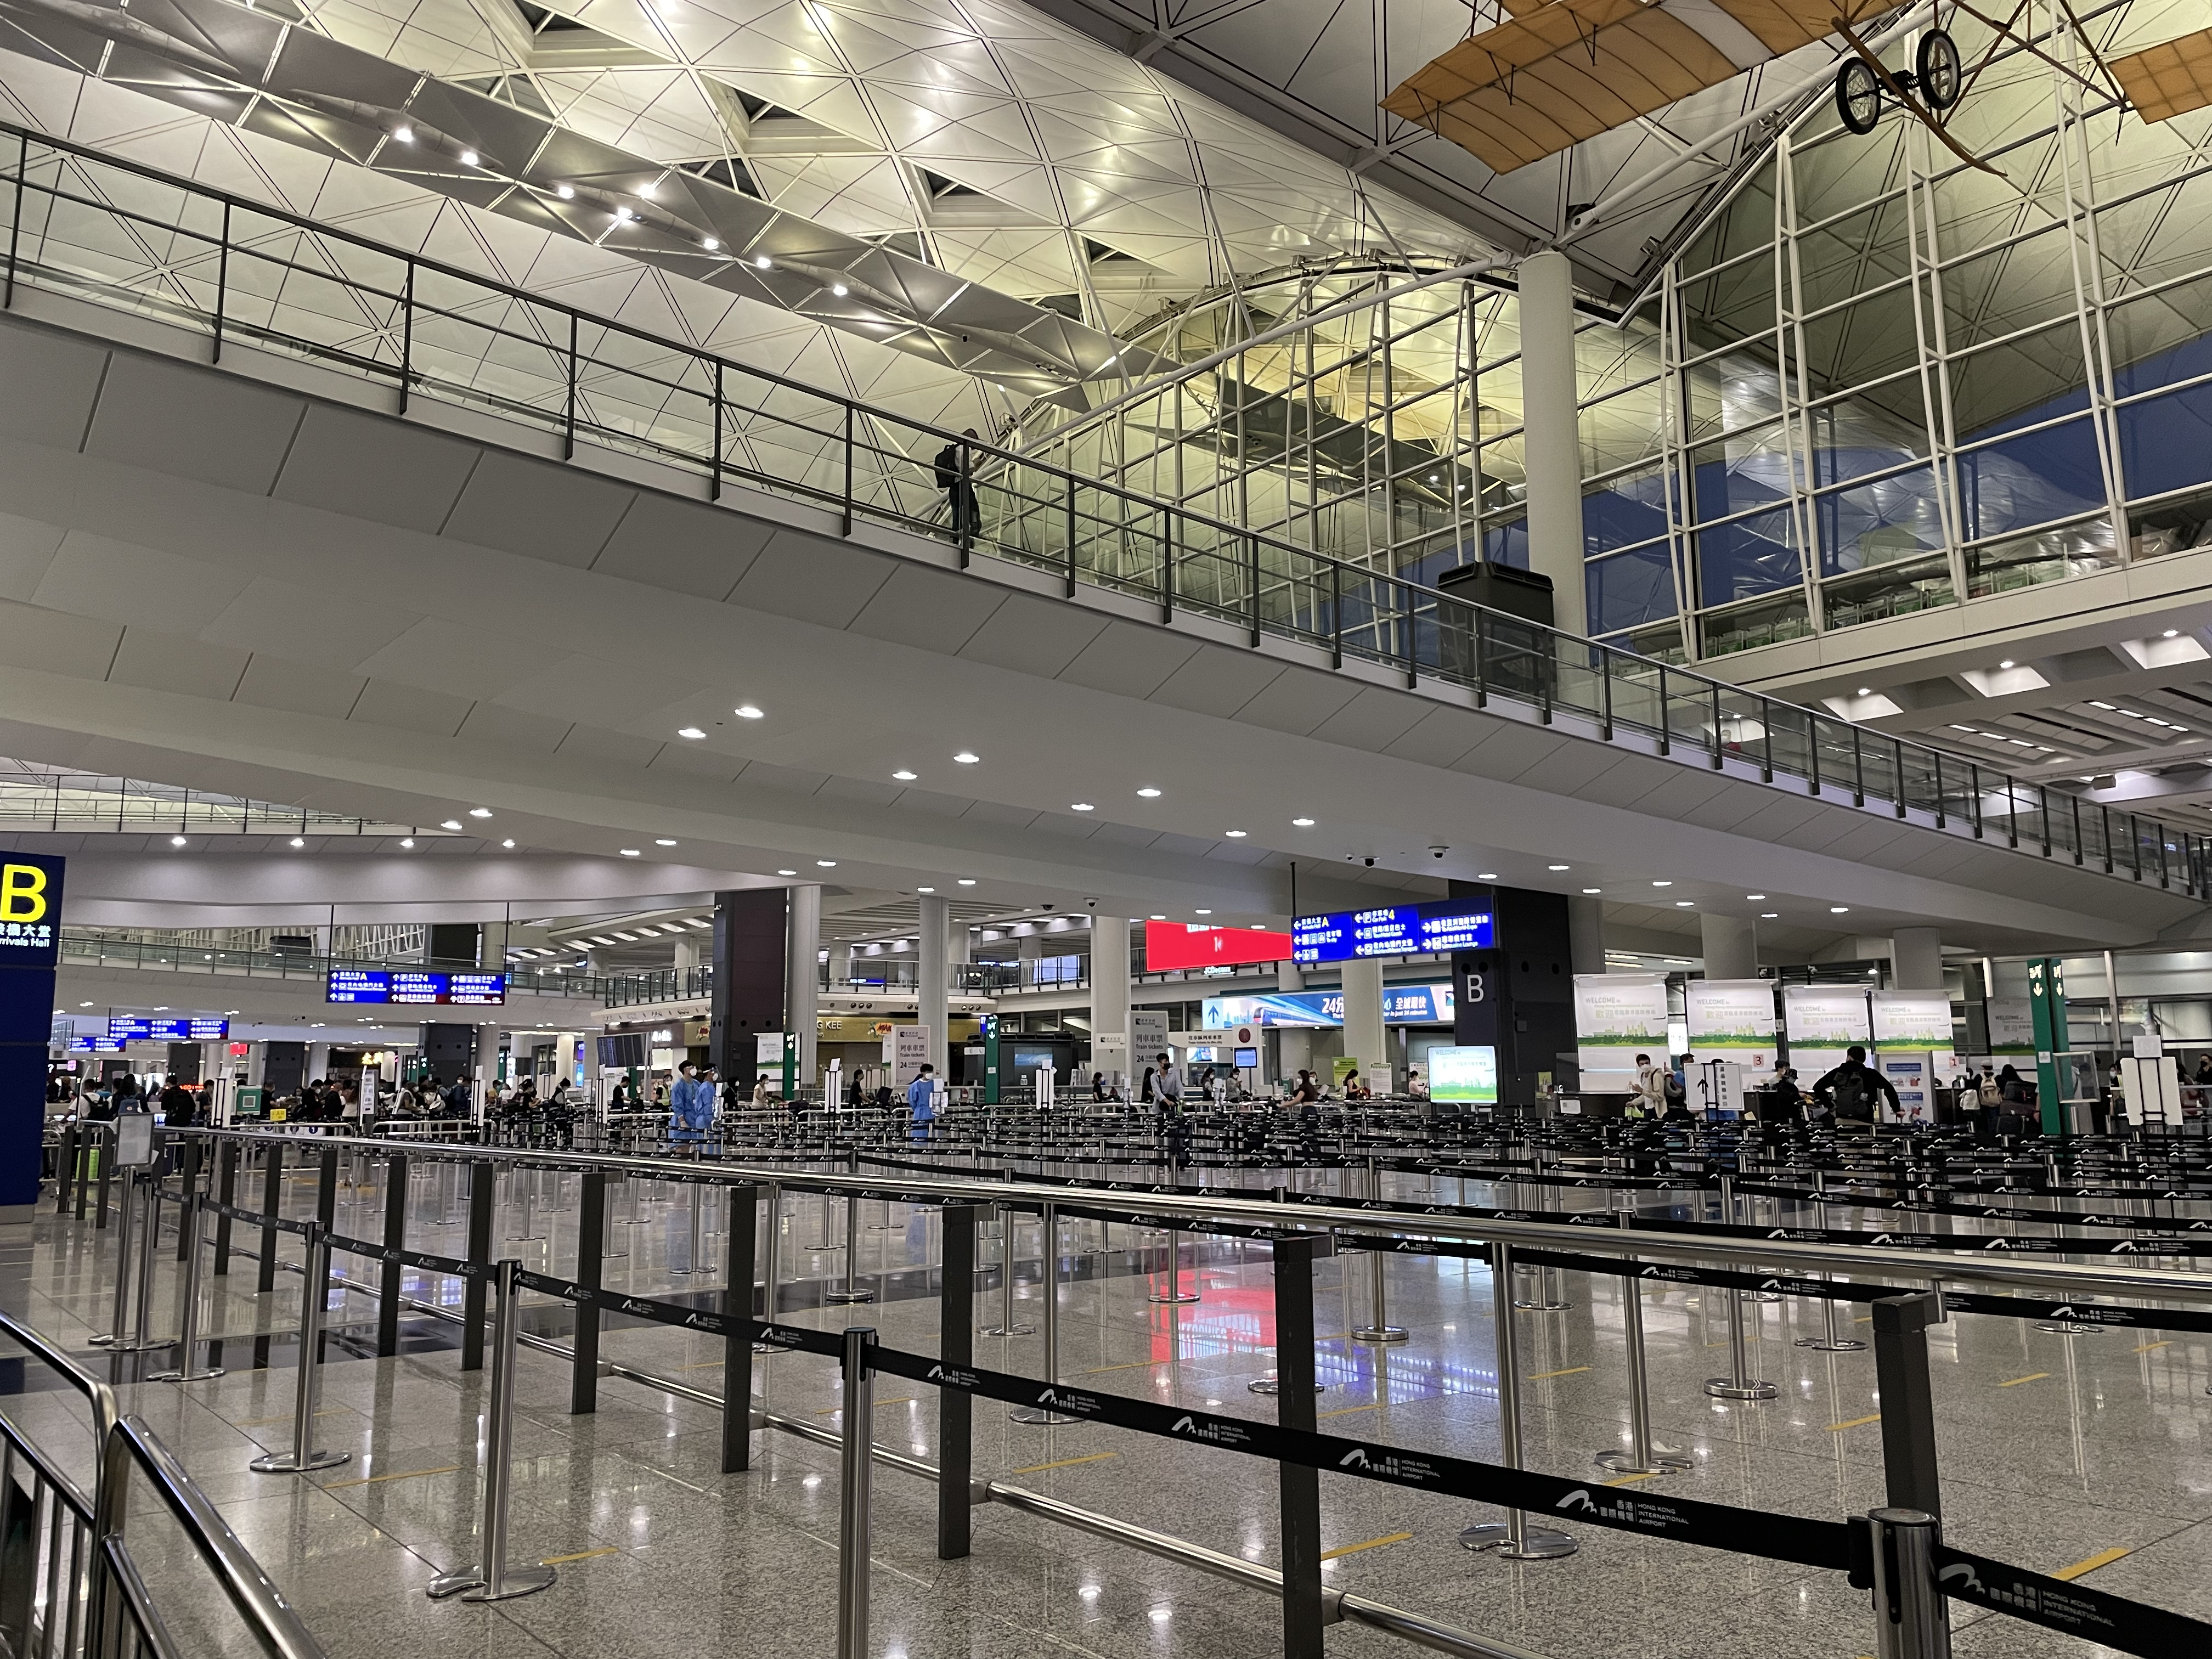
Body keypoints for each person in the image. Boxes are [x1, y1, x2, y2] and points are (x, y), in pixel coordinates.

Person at [1812, 1045, 1899, 1127]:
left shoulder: (1837, 1073)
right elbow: (1889, 1088)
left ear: (1849, 1058)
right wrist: (1896, 1109)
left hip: (1841, 1120)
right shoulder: (1870, 1073)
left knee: (1842, 1142)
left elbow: (1817, 1087)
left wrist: (1830, 1106)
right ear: (1863, 1059)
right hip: (1865, 1120)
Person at [934, 428, 981, 541]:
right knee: (973, 508)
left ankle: (955, 538)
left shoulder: (953, 450)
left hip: (953, 487)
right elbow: (966, 470)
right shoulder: (963, 449)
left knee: (957, 513)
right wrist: (976, 464)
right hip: (962, 485)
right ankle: (974, 531)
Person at [907, 1063, 938, 1140]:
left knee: (933, 1134)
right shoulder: (915, 1086)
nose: (930, 1074)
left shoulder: (935, 1084)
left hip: (933, 1111)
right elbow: (912, 1101)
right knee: (920, 1134)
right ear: (923, 1073)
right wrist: (918, 1109)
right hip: (920, 1112)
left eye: (931, 1072)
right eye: (928, 1072)